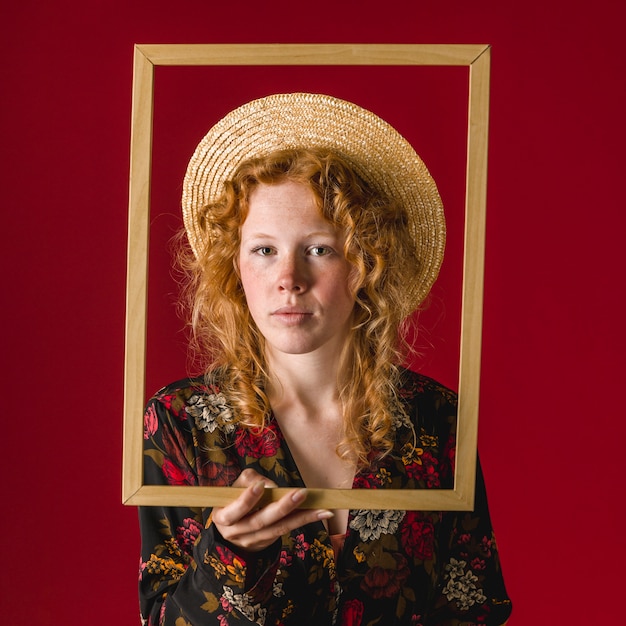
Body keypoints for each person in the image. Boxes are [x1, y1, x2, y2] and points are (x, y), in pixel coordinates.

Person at [138, 93, 512, 625]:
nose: (289, 278)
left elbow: (477, 610)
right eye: (264, 249)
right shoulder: (179, 421)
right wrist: (229, 554)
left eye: (319, 248)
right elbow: (161, 620)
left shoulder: (438, 419)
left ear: (365, 266)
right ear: (235, 269)